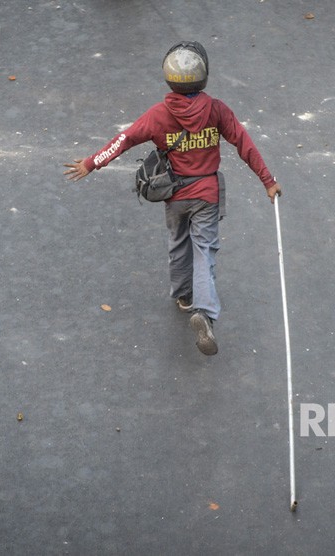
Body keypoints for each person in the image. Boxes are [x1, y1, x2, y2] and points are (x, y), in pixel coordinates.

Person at [64, 41, 281, 356]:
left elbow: (123, 141)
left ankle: (183, 297)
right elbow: (244, 144)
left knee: (179, 243)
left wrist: (91, 162)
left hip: (174, 194)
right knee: (204, 252)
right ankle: (204, 312)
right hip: (206, 194)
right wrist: (268, 181)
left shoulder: (158, 115)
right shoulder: (217, 110)